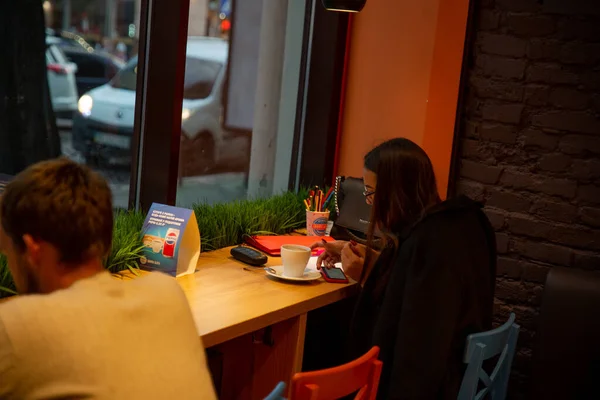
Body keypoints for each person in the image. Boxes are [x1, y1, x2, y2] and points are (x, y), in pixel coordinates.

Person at [0, 158, 217, 399]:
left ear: (33, 250)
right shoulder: (168, 293)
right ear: (105, 241)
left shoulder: (16, 325)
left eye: (7, 251)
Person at [312, 138, 496, 399]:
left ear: (396, 191)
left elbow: (413, 346)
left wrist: (366, 277)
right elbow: (413, 282)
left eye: (370, 193)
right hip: (463, 374)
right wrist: (372, 262)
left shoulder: (430, 245)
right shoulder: (461, 223)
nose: (369, 203)